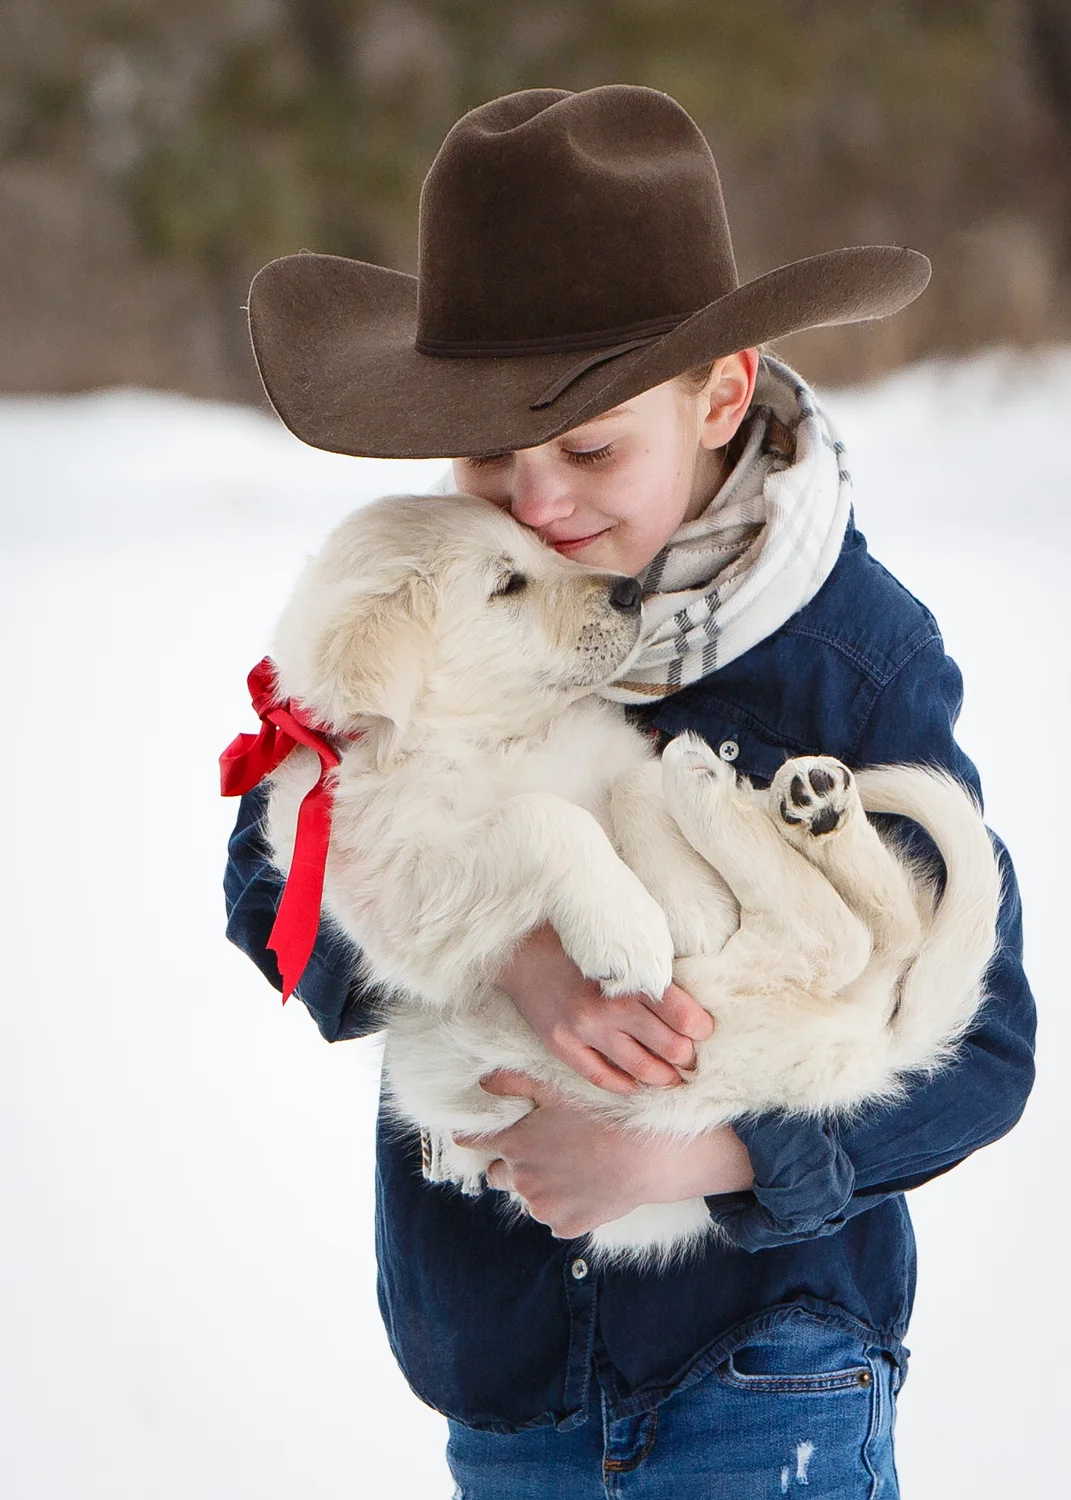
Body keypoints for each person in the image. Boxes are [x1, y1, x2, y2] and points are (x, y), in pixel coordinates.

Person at [225, 86, 1036, 1497]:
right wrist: (516, 951)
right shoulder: (442, 595)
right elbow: (273, 879)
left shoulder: (850, 658)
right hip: (506, 1374)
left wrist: (693, 1159)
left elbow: (982, 1055)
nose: (537, 505)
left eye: (591, 447)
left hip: (764, 1376)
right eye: (487, 454)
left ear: (720, 390)